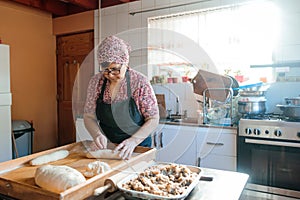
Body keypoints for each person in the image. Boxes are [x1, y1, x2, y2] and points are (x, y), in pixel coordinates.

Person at [83, 35, 159, 160]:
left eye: (115, 69)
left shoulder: (139, 82)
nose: (110, 75)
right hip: (108, 147)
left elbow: (153, 118)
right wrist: (97, 135)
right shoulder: (96, 82)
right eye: (106, 70)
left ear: (126, 63)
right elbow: (89, 116)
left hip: (137, 147)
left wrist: (133, 141)